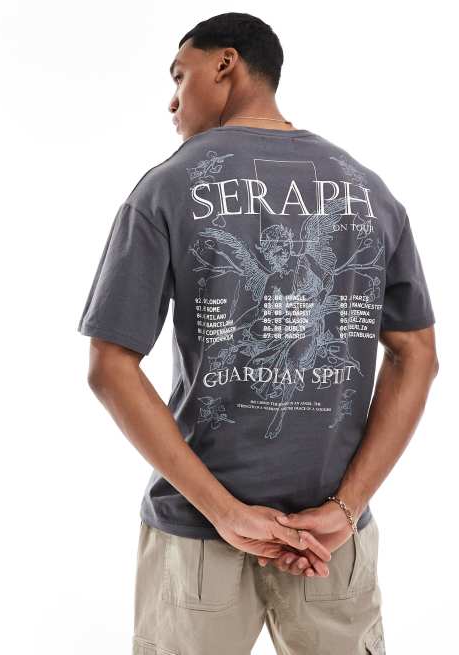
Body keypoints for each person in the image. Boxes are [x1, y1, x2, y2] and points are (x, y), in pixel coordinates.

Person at [77, 12, 438, 655]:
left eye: (180, 76)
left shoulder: (167, 186)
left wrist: (226, 513)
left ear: (226, 64)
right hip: (328, 538)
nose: (172, 100)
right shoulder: (368, 189)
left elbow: (109, 366)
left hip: (198, 531)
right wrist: (345, 509)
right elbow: (417, 355)